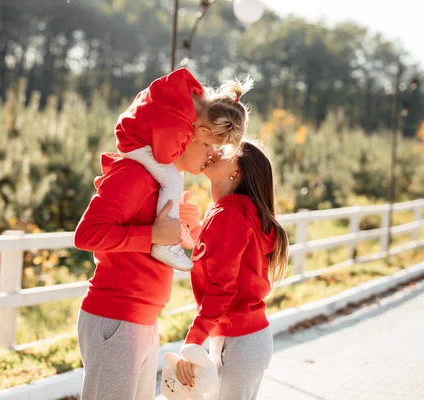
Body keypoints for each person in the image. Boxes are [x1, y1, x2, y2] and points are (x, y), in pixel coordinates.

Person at [73, 138, 217, 400]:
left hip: (144, 321)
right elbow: (86, 234)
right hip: (116, 317)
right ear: (186, 136)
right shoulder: (135, 175)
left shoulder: (167, 187)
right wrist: (153, 233)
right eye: (208, 142)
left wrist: (188, 228)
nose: (213, 151)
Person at [176, 140, 289, 399]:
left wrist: (193, 342)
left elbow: (221, 288)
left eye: (225, 151)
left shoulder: (230, 215)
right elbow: (226, 260)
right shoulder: (236, 211)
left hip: (238, 341)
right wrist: (197, 231)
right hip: (243, 338)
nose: (214, 151)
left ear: (237, 171)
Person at [116, 68, 252, 271]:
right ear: (204, 130)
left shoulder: (191, 96)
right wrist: (184, 139)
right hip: (134, 143)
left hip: (133, 131)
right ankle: (165, 244)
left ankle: (171, 236)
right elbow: (163, 156)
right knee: (173, 180)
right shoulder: (179, 126)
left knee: (173, 177)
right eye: (206, 143)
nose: (212, 153)